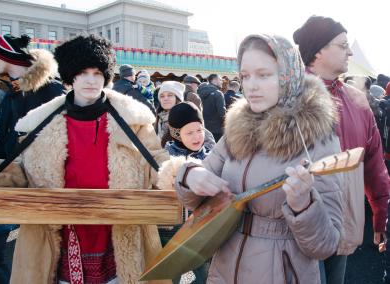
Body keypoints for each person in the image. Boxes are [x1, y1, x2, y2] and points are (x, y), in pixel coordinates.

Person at [0, 34, 170, 283]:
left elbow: (157, 162)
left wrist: (185, 173)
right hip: (58, 236)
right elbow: (22, 169)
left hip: (120, 234)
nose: (91, 80)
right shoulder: (41, 119)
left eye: (98, 72)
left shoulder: (133, 119)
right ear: (71, 75)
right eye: (83, 72)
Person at [157, 34, 343, 284]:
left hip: (282, 273)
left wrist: (305, 206)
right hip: (225, 268)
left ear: (288, 75)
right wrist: (191, 174)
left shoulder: (315, 136)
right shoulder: (237, 128)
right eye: (245, 76)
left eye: (263, 74)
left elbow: (326, 245)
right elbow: (197, 200)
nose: (251, 85)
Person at [293, 15, 390, 284]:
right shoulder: (287, 97)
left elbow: (373, 163)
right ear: (319, 50)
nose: (349, 51)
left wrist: (381, 215)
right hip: (294, 225)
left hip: (343, 221)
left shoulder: (356, 99)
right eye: (343, 44)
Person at [159, 101, 214, 284]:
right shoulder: (165, 159)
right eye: (189, 132)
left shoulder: (211, 157)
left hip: (201, 228)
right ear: (176, 134)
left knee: (204, 274)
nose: (197, 137)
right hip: (171, 229)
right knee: (171, 275)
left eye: (199, 130)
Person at [0, 34, 65, 159]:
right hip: (12, 169)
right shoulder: (10, 93)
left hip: (43, 170)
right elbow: (3, 140)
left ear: (6, 56)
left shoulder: (52, 90)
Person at [197, 74, 226, 141]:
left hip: (202, 128)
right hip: (216, 130)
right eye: (220, 80)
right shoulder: (218, 93)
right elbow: (222, 113)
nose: (222, 82)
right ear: (214, 80)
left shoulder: (198, 92)